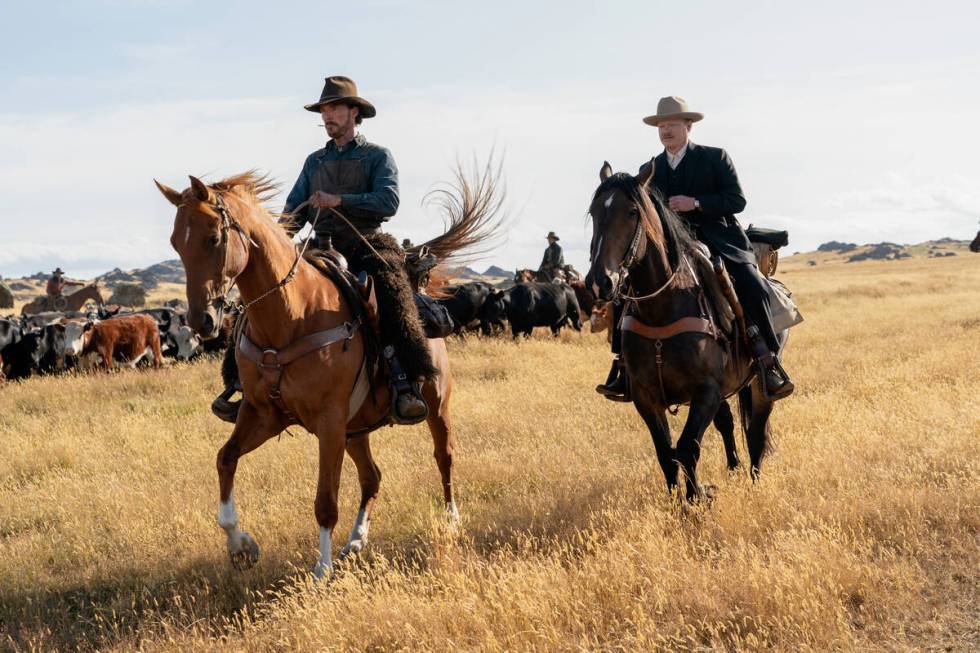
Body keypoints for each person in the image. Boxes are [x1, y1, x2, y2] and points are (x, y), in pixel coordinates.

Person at [596, 96, 794, 401]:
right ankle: (622, 367)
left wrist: (696, 203)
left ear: (688, 126)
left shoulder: (715, 158)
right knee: (627, 289)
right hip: (671, 247)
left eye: (672, 124)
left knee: (751, 283)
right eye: (661, 126)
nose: (666, 131)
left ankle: (767, 360)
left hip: (719, 239)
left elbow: (737, 201)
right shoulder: (650, 169)